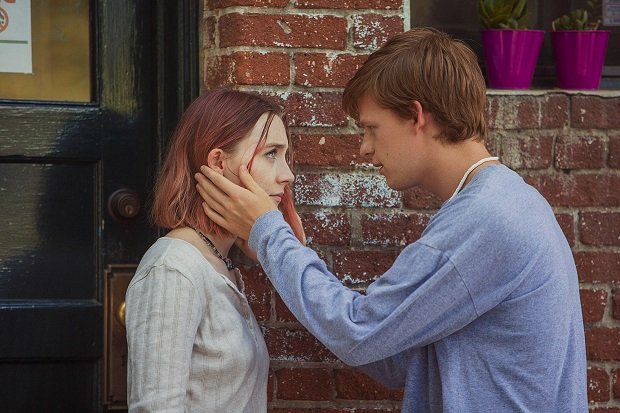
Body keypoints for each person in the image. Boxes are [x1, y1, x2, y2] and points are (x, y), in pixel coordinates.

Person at [194, 28, 587, 412]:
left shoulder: (486, 218)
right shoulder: (506, 201)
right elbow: (393, 356)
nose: (364, 148)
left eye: (371, 128)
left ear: (416, 116)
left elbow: (358, 332)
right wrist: (282, 249)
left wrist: (268, 233)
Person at [124, 88, 304, 412]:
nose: (287, 174)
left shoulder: (220, 261)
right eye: (271, 154)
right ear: (218, 162)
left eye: (285, 155)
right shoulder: (173, 269)